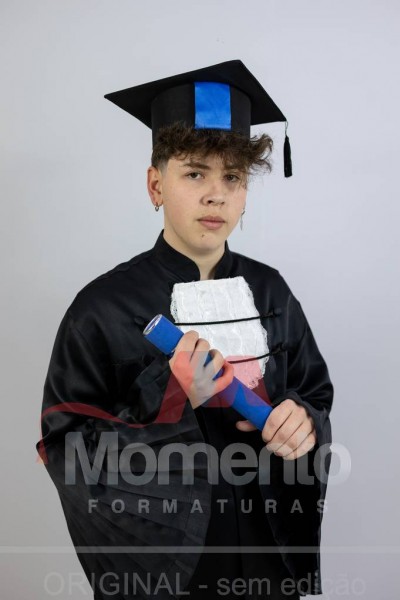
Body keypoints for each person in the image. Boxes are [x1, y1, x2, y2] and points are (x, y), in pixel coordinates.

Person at [37, 60, 334, 600]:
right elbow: (66, 450)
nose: (216, 195)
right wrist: (170, 397)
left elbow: (313, 393)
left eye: (233, 177)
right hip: (167, 569)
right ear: (156, 185)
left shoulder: (272, 292)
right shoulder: (101, 308)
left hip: (268, 554)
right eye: (195, 173)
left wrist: (304, 421)